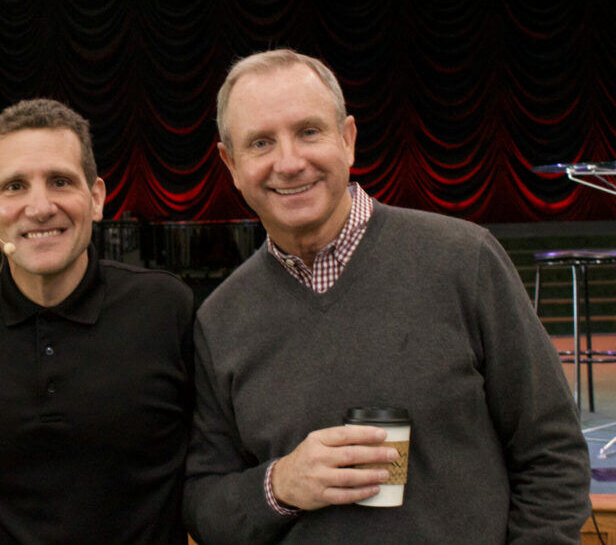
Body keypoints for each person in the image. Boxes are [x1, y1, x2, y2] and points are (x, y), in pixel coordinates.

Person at [183, 49, 591, 543]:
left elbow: (551, 453)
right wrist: (279, 485)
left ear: (348, 140)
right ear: (230, 163)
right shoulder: (221, 319)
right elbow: (205, 507)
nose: (289, 162)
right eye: (261, 142)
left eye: (309, 132)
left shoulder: (464, 259)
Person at [0, 98, 195, 543]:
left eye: (59, 181)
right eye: (14, 186)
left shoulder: (166, 307)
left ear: (96, 198)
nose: (40, 206)